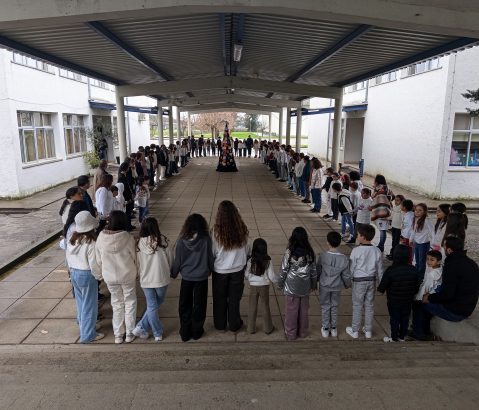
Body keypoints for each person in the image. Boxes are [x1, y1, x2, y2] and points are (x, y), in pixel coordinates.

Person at [420, 237, 479, 338]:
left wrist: (429, 297)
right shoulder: (472, 263)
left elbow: (447, 294)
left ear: (449, 250)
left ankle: (420, 333)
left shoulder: (451, 265)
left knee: (421, 303)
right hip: (468, 307)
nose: (443, 249)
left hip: (456, 312)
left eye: (444, 247)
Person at [95, 211, 137, 344]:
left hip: (110, 276)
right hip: (128, 274)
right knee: (130, 302)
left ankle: (118, 335)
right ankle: (130, 333)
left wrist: (100, 274)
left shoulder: (100, 238)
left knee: (116, 303)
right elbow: (134, 257)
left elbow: (98, 260)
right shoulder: (128, 238)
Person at [171, 214, 214, 342]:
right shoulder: (206, 240)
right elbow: (210, 257)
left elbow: (178, 261)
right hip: (201, 277)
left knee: (184, 304)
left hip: (187, 277)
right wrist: (211, 269)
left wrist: (174, 273)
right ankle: (197, 331)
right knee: (200, 304)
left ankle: (185, 331)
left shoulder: (181, 241)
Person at [66, 211, 104, 343]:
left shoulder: (72, 240)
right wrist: (99, 276)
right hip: (87, 275)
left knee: (81, 303)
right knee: (90, 305)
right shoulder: (91, 242)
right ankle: (88, 335)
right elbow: (94, 264)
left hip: (74, 273)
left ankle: (85, 327)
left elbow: (68, 258)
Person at [211, 201, 250, 332]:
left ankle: (220, 324)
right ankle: (234, 324)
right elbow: (247, 249)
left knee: (219, 298)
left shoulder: (215, 231)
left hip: (219, 270)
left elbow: (213, 252)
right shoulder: (242, 229)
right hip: (238, 269)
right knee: (234, 299)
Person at [132, 217, 172, 342]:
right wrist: (170, 271)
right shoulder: (163, 241)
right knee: (156, 304)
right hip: (161, 278)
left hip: (146, 279)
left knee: (152, 305)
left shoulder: (138, 244)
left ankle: (142, 327)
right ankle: (156, 332)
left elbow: (137, 263)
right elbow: (170, 259)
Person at [279, 227, 317, 341]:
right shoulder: (310, 253)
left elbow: (283, 270)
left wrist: (280, 284)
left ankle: (291, 333)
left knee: (291, 311)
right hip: (305, 288)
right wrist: (313, 285)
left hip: (291, 287)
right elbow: (313, 271)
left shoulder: (289, 253)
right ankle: (303, 332)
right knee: (304, 311)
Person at [346, 224, 383, 339]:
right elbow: (380, 270)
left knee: (357, 305)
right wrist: (381, 284)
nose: (356, 236)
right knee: (369, 306)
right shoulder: (377, 250)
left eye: (357, 234)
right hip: (372, 281)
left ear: (363, 236)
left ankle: (355, 330)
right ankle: (368, 331)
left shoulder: (356, 251)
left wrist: (348, 280)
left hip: (358, 282)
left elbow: (351, 268)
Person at [378, 245, 420, 342]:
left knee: (394, 319)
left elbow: (381, 288)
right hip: (408, 300)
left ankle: (394, 338)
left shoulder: (390, 270)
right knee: (405, 318)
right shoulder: (413, 270)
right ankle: (402, 337)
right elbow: (416, 287)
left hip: (393, 301)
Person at [317, 232, 351, 338]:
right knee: (334, 306)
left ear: (327, 242)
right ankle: (334, 328)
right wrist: (347, 284)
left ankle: (325, 328)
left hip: (324, 285)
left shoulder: (322, 256)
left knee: (325, 306)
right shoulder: (344, 258)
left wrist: (315, 282)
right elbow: (346, 275)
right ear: (339, 243)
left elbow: (318, 271)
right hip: (336, 286)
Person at [245, 238, 277, 334]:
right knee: (265, 306)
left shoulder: (250, 260)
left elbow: (246, 274)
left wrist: (251, 278)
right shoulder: (268, 261)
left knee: (252, 306)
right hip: (264, 287)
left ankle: (250, 328)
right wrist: (278, 282)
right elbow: (272, 276)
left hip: (253, 286)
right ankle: (268, 328)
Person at [411, 250, 443, 339]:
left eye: (432, 260)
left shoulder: (433, 274)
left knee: (418, 310)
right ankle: (423, 331)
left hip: (427, 297)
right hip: (432, 296)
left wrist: (418, 298)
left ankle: (418, 333)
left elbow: (426, 287)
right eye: (427, 259)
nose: (429, 261)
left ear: (439, 261)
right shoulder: (437, 269)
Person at [371, 174, 394, 253]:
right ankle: (381, 245)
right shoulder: (387, 188)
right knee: (383, 229)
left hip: (380, 212)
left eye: (375, 180)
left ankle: (381, 246)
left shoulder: (378, 189)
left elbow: (373, 197)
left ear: (377, 181)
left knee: (382, 230)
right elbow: (393, 197)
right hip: (387, 211)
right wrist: (387, 202)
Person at [410, 203, 433, 280]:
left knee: (422, 261)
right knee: (416, 260)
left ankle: (420, 277)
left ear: (424, 212)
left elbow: (432, 232)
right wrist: (411, 240)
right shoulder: (415, 219)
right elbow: (413, 230)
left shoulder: (426, 220)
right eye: (416, 210)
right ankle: (416, 274)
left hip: (424, 244)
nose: (417, 212)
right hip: (416, 243)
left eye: (420, 210)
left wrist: (434, 244)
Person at [387, 194, 405, 260]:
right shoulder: (395, 207)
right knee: (393, 241)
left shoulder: (402, 210)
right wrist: (385, 218)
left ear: (402, 201)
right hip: (394, 227)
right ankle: (392, 253)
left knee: (396, 242)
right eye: (395, 200)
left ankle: (394, 255)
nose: (396, 202)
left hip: (398, 228)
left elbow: (403, 220)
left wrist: (402, 228)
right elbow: (391, 217)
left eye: (398, 200)